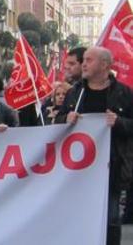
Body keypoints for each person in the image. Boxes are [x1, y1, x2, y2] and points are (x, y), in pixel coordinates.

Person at [55, 47, 133, 245]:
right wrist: (66, 118)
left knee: (111, 219)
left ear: (105, 64)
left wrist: (119, 122)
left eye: (89, 60)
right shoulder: (75, 92)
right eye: (84, 60)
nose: (84, 64)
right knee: (78, 217)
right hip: (78, 170)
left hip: (111, 169)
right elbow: (56, 125)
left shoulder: (124, 93)